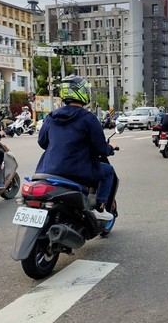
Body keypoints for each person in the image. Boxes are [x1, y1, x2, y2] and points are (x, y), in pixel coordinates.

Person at [35, 75, 116, 221]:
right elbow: (100, 148)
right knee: (108, 171)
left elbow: (42, 142)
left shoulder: (51, 116)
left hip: (47, 171)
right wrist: (110, 148)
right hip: (76, 171)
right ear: (83, 92)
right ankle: (99, 208)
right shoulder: (88, 118)